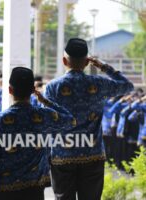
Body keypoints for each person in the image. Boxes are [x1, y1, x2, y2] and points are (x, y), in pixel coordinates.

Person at [44, 38, 134, 200]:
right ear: (87, 62)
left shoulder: (52, 87)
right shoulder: (99, 83)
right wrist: (103, 67)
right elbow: (128, 85)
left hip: (62, 155)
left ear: (64, 61)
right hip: (92, 155)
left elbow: (48, 122)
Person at [0, 67, 76, 200]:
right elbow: (71, 121)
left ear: (10, 90)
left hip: (5, 189)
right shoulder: (44, 116)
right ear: (33, 90)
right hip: (34, 189)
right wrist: (45, 101)